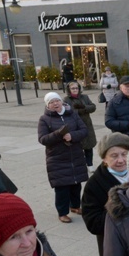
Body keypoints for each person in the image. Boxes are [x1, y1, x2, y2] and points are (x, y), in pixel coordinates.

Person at [81, 133, 129, 256]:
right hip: (116, 247)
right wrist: (120, 210)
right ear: (104, 159)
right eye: (114, 156)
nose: (121, 160)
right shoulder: (94, 184)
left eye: (124, 154)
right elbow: (92, 223)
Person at [38, 92, 89, 223]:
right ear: (47, 105)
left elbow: (84, 130)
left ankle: (75, 206)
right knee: (62, 187)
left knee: (76, 184)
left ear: (61, 101)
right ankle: (62, 212)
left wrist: (72, 135)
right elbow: (43, 139)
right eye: (51, 102)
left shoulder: (72, 114)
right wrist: (57, 134)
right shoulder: (44, 119)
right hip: (57, 158)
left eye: (57, 100)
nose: (55, 103)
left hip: (75, 155)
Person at [64, 81, 97, 171]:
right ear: (69, 90)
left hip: (87, 124)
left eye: (76, 88)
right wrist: (78, 111)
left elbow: (93, 107)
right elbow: (67, 111)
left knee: (88, 146)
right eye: (73, 88)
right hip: (75, 126)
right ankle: (79, 165)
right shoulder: (66, 99)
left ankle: (90, 164)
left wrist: (84, 107)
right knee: (77, 147)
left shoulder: (85, 97)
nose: (75, 90)